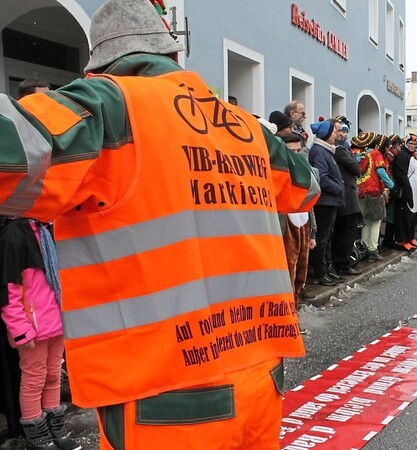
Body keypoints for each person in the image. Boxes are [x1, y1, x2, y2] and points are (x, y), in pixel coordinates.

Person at [0, 1, 320, 448]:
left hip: (165, 399)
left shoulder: (109, 106)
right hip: (261, 377)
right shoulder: (249, 128)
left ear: (102, 68)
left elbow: (14, 152)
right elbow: (305, 188)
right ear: (172, 57)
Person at [0, 218, 81, 450]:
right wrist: (19, 329)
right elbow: (9, 289)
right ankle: (37, 437)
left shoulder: (48, 229)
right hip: (33, 328)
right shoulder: (15, 235)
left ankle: (55, 429)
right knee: (34, 380)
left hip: (56, 321)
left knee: (53, 375)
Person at [280, 133, 317, 309]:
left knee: (301, 273)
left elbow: (311, 205)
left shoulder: (303, 169)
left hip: (303, 223)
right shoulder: (279, 172)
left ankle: (295, 309)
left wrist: (312, 233)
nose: (295, 154)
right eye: (290, 151)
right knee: (288, 273)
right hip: (287, 225)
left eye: (297, 150)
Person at [308, 119, 346, 286]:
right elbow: (321, 177)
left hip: (330, 201)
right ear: (326, 134)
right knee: (322, 238)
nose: (336, 134)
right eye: (334, 132)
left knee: (327, 237)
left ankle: (327, 269)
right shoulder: (319, 151)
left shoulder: (326, 150)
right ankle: (320, 272)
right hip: (325, 201)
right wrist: (338, 188)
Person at [330, 118, 363, 277]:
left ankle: (342, 262)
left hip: (346, 195)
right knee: (346, 231)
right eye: (340, 131)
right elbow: (356, 168)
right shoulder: (340, 150)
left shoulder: (343, 149)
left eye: (345, 131)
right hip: (346, 197)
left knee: (344, 231)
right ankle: (343, 264)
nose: (343, 134)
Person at [355, 133, 393, 261]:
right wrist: (391, 185)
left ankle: (364, 249)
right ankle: (373, 249)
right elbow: (381, 171)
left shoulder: (362, 154)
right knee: (376, 222)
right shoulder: (376, 153)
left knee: (366, 222)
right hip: (374, 191)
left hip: (361, 191)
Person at [392, 135, 417, 251]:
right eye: (410, 143)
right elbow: (401, 175)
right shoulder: (402, 156)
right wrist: (407, 190)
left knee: (412, 215)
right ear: (405, 144)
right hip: (406, 190)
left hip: (414, 190)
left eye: (415, 144)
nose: (413, 146)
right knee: (404, 216)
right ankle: (402, 240)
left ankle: (410, 237)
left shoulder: (411, 156)